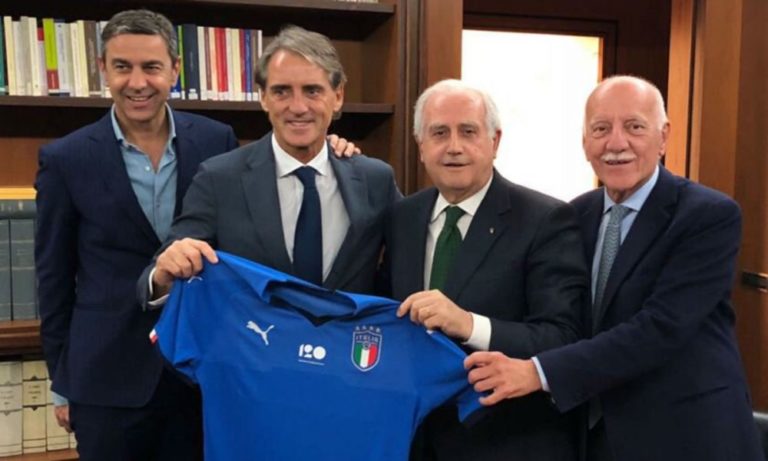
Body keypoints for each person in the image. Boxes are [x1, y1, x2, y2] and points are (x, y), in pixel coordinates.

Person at [35, 10, 356, 461]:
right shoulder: (65, 159)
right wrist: (62, 381)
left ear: (174, 70)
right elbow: (52, 279)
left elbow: (273, 176)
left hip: (201, 370)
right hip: (105, 375)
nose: (137, 82)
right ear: (103, 69)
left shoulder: (215, 140)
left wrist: (335, 149)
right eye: (123, 67)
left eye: (151, 67)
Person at [464, 75, 765, 461]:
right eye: (601, 129)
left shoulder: (708, 216)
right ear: (584, 142)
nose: (616, 143)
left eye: (634, 127)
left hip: (688, 435)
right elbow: (560, 316)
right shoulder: (575, 215)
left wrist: (537, 372)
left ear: (663, 137)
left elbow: (660, 328)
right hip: (596, 436)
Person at [381, 79, 588, 460]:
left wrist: (469, 324)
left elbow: (563, 337)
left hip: (506, 441)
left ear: (495, 142)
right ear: (421, 146)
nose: (454, 146)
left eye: (468, 132)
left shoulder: (546, 219)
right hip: (415, 438)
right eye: (439, 133)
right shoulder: (402, 217)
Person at [139, 25, 399, 305]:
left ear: (338, 97)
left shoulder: (376, 180)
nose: (298, 107)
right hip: (252, 333)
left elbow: (409, 259)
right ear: (263, 97)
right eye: (281, 92)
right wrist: (162, 274)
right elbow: (160, 272)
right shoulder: (219, 178)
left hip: (349, 333)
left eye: (312, 91)